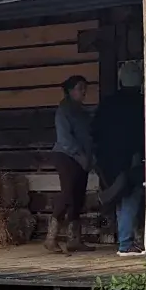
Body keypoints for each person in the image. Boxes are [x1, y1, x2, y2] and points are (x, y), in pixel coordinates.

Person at [93, 59, 145, 256]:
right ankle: (125, 242)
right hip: (130, 158)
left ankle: (127, 239)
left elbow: (95, 132)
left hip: (108, 159)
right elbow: (140, 134)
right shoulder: (140, 103)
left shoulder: (108, 103)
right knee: (131, 196)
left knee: (120, 196)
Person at [47, 75, 95, 252]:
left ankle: (74, 238)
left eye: (84, 88)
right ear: (70, 90)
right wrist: (80, 155)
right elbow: (65, 139)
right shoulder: (63, 110)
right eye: (80, 88)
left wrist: (89, 157)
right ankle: (51, 237)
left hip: (82, 157)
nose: (83, 92)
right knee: (67, 194)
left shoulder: (82, 111)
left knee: (78, 196)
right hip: (66, 156)